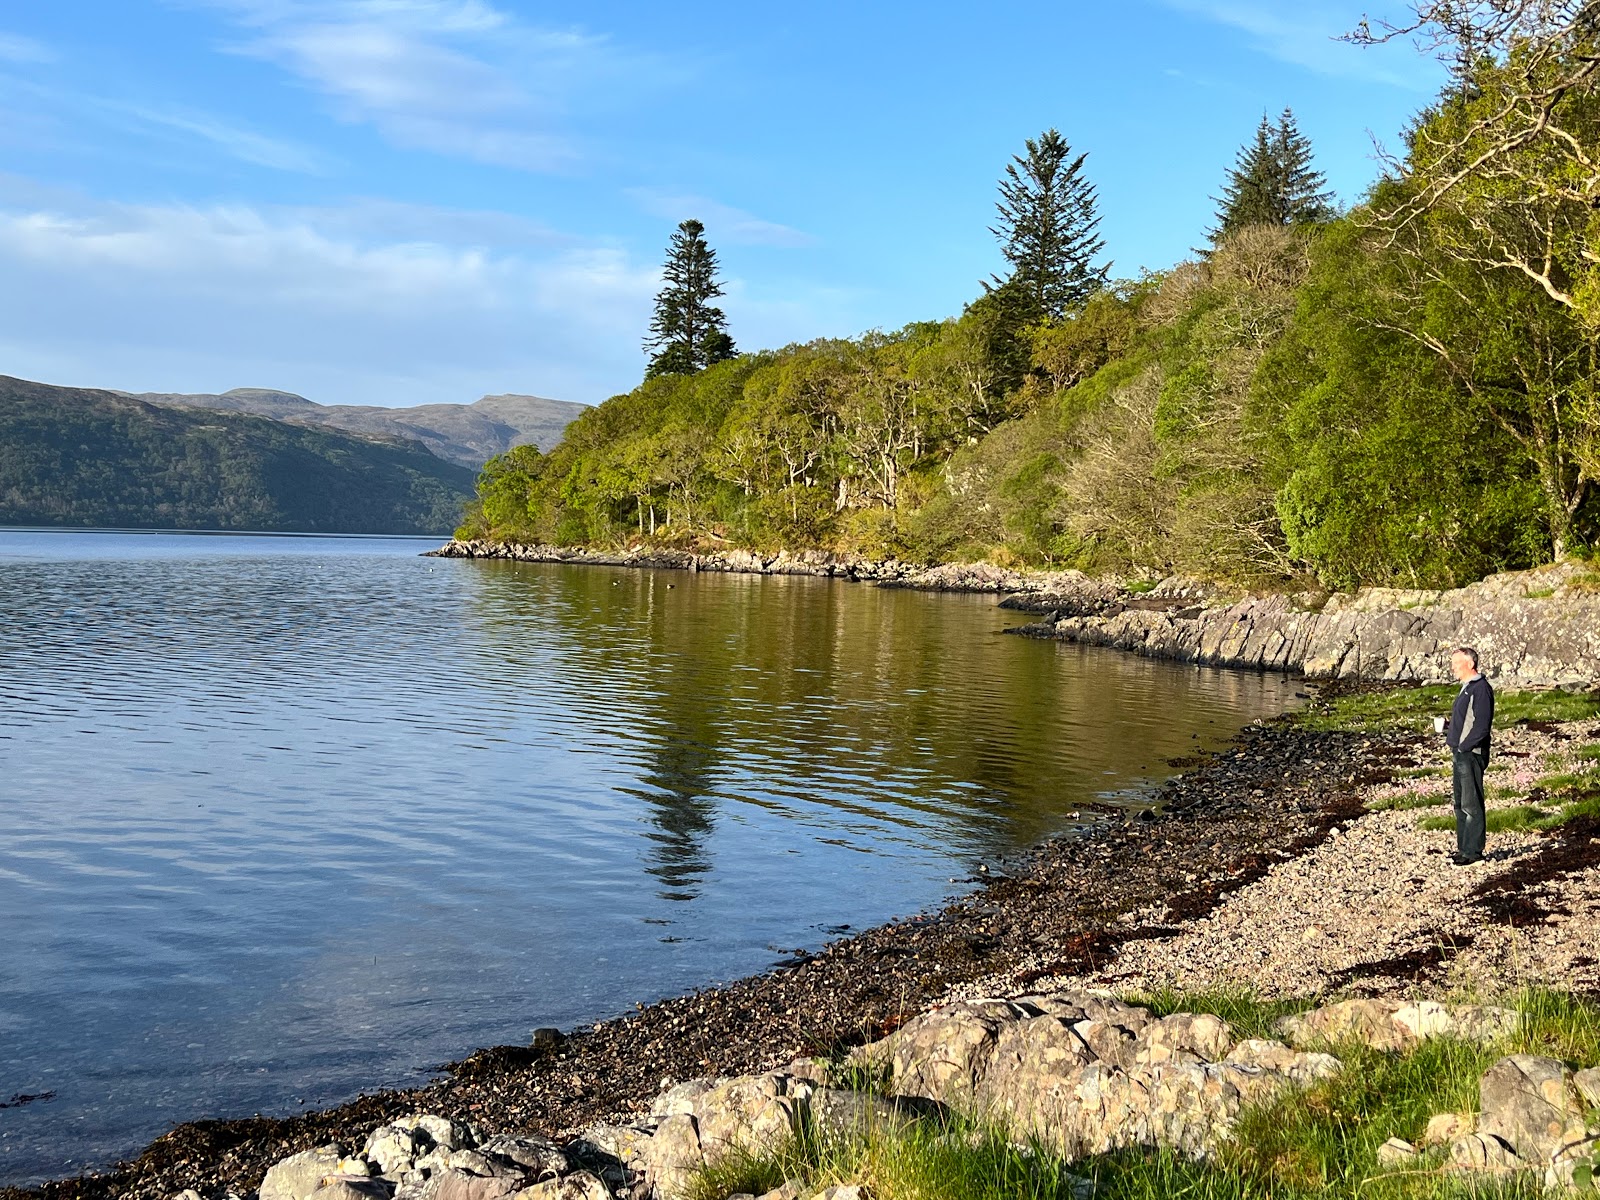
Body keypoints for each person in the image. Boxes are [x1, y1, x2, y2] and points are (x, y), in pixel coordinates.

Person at [1439, 646, 1494, 866]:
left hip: (1470, 754)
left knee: (1471, 803)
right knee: (1460, 803)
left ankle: (1473, 852)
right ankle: (1464, 848)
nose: (1452, 667)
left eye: (1456, 663)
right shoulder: (1467, 688)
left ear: (1470, 664)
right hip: (1461, 752)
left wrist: (1464, 746)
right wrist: (1449, 728)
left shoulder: (1480, 689)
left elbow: (1481, 725)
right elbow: (1467, 721)